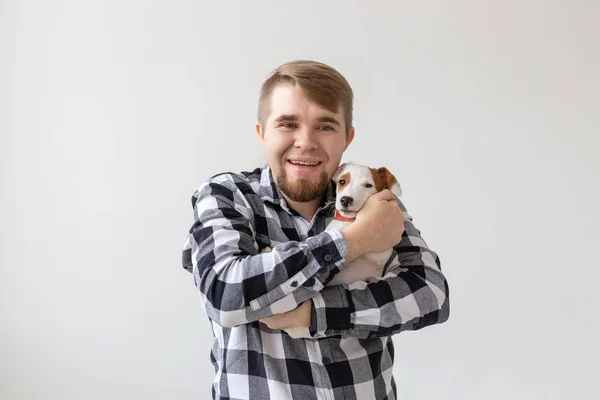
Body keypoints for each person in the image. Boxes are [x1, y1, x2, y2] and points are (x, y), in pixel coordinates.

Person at [181, 60, 450, 400]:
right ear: (262, 132)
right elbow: (225, 293)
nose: (305, 142)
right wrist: (353, 240)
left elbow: (431, 295)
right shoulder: (227, 195)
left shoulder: (373, 199)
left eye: (325, 126)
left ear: (347, 138)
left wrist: (312, 313)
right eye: (288, 124)